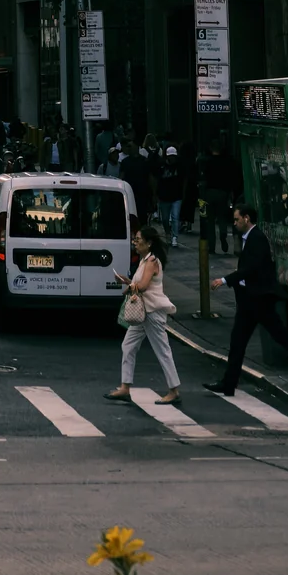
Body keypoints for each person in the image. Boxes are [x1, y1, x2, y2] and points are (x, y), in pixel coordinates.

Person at [205, 203, 288, 393]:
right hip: (249, 299)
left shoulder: (257, 238)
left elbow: (250, 268)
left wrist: (225, 279)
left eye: (236, 219)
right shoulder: (250, 238)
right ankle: (228, 384)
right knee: (238, 341)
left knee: (280, 336)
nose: (234, 223)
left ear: (246, 219)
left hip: (259, 299)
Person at [106, 223, 182, 405]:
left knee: (162, 350)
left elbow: (144, 286)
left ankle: (174, 390)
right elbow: (138, 284)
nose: (135, 243)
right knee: (128, 345)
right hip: (142, 313)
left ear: (148, 243)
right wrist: (127, 282)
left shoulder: (152, 261)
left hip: (152, 312)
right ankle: (125, 387)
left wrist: (130, 285)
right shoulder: (144, 260)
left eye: (138, 240)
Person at [156, 148, 183, 249]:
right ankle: (168, 233)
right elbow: (157, 180)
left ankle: (175, 237)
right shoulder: (162, 166)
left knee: (175, 217)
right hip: (164, 196)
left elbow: (183, 180)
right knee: (165, 218)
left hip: (176, 196)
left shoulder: (179, 166)